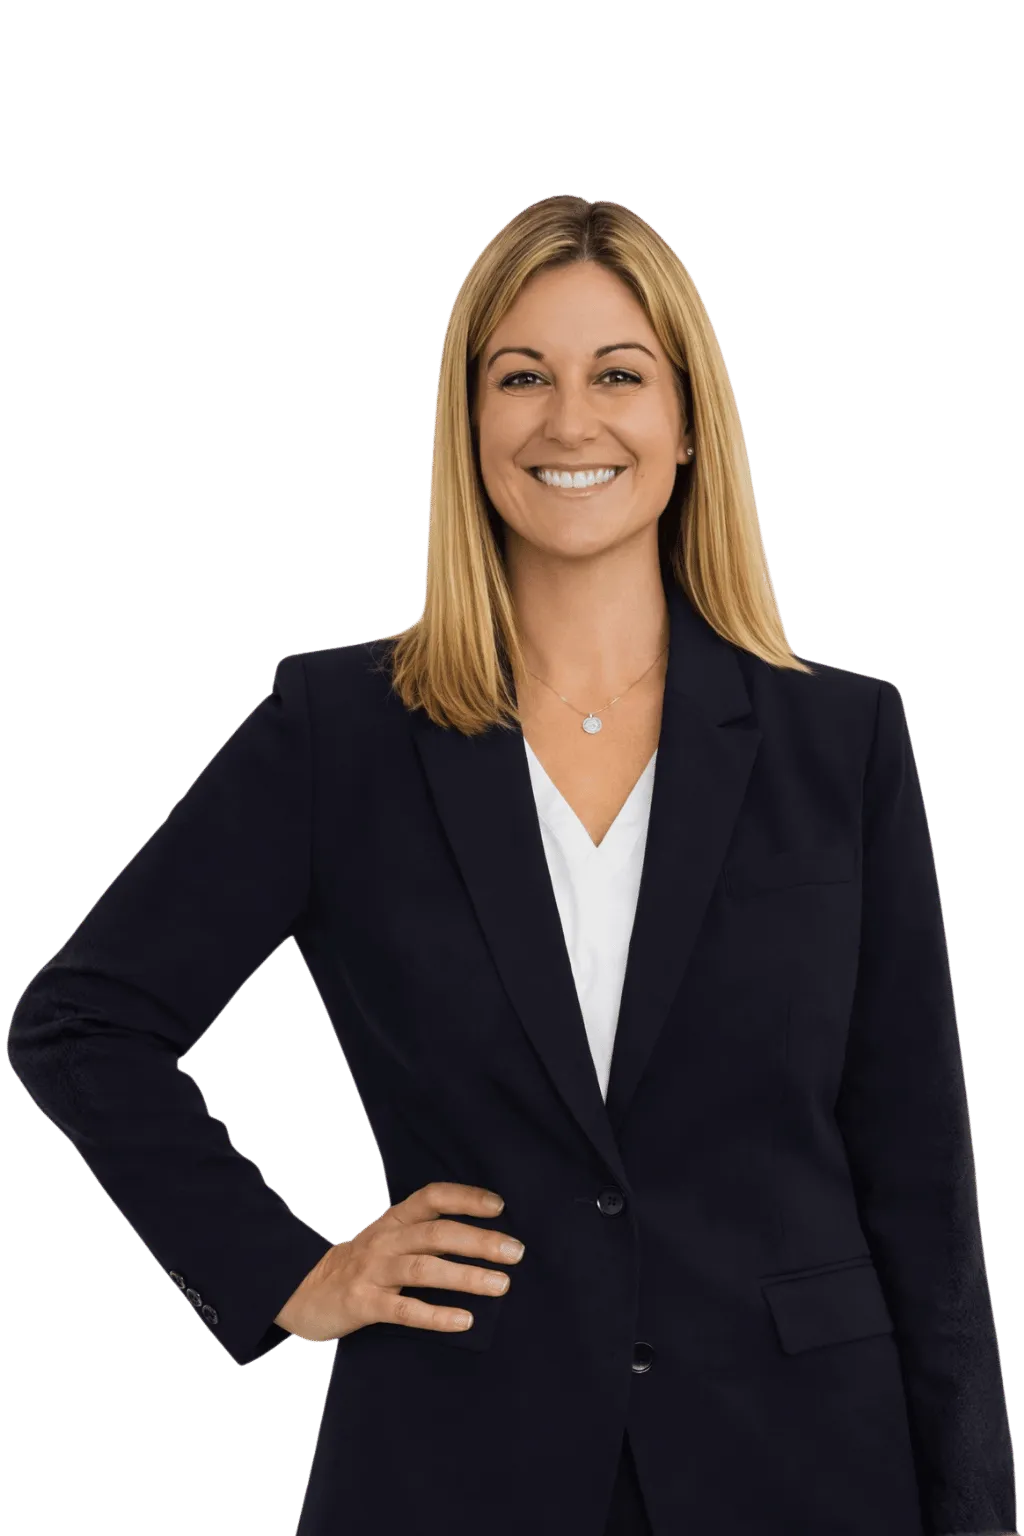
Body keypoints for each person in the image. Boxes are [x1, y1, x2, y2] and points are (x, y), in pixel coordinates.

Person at [7, 196, 1015, 1536]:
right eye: (523, 377)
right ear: (470, 420)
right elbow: (83, 1023)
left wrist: (978, 1512)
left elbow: (919, 1175)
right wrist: (284, 1273)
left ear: (688, 423)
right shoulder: (340, 733)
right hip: (455, 1457)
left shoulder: (841, 741)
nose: (570, 421)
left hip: (803, 1467)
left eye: (620, 375)